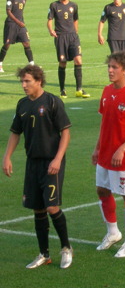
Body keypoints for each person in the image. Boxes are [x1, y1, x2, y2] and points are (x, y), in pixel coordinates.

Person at [2, 65, 73, 269]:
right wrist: (7, 157)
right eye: (22, 81)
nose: (24, 85)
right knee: (38, 208)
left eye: (27, 81)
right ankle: (44, 254)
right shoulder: (22, 105)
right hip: (33, 163)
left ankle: (66, 248)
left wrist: (58, 159)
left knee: (52, 206)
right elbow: (16, 132)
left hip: (52, 162)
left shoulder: (52, 102)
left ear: (38, 81)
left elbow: (65, 132)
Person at [92, 52, 125, 258]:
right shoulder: (106, 92)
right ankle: (113, 233)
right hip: (105, 154)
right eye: (109, 66)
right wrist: (97, 148)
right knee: (102, 191)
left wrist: (122, 148)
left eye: (114, 67)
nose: (110, 70)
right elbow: (104, 123)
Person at [47, 0, 90, 99]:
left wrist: (75, 33)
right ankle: (62, 90)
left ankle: (79, 90)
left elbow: (75, 19)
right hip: (61, 37)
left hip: (73, 37)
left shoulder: (74, 5)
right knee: (63, 63)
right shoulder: (54, 5)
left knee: (78, 60)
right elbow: (49, 20)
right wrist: (51, 30)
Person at [0, 0, 35, 73]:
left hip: (20, 25)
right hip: (11, 24)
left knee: (26, 43)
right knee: (7, 45)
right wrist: (18, 22)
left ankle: (32, 65)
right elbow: (8, 12)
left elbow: (20, 11)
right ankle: (0, 64)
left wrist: (21, 22)